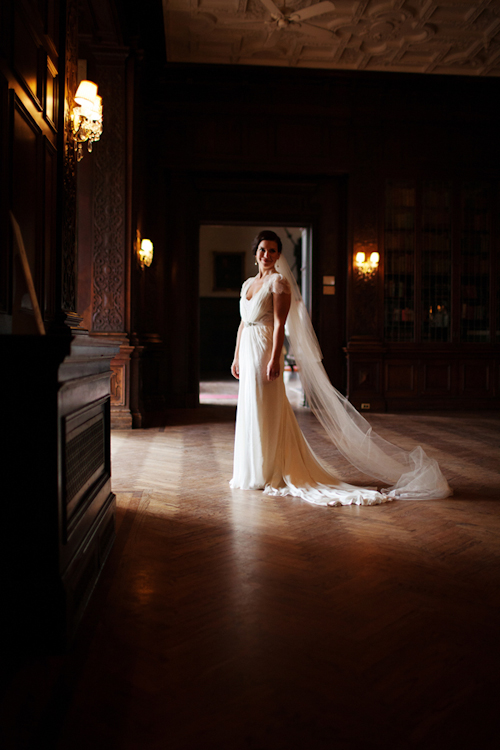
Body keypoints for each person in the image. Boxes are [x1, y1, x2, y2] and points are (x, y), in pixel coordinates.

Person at [230, 230, 451, 507]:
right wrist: (236, 356)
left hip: (264, 350)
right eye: (263, 250)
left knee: (265, 407)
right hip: (248, 349)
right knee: (250, 407)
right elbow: (242, 323)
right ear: (255, 253)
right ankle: (252, 470)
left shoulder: (278, 283)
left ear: (278, 255)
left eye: (273, 251)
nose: (267, 255)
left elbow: (278, 326)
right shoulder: (248, 284)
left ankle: (268, 469)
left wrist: (275, 358)